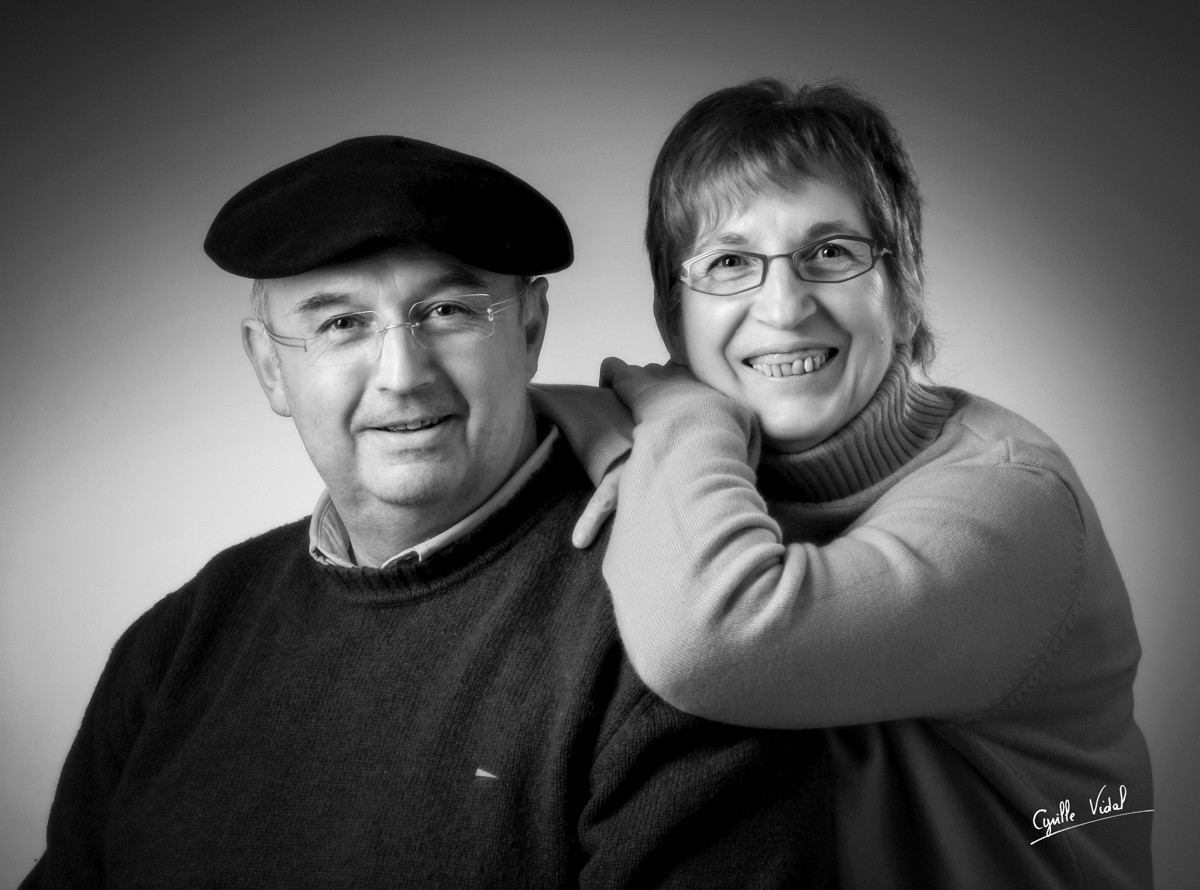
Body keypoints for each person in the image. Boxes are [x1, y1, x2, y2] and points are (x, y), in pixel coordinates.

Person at [22, 135, 835, 888]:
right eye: (340, 324)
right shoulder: (176, 645)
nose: (401, 374)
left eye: (447, 311)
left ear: (531, 328)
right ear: (270, 367)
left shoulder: (675, 632)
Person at [550, 80, 1154, 888]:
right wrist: (640, 451)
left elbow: (714, 641)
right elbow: (516, 417)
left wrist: (678, 418)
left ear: (903, 295)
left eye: (830, 253)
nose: (785, 306)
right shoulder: (700, 461)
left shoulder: (1013, 501)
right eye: (729, 263)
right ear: (671, 317)